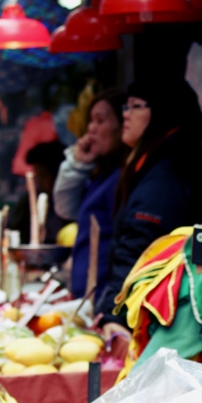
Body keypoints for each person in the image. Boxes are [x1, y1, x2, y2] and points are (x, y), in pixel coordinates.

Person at [96, 79, 202, 335]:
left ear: (161, 112)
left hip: (157, 317)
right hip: (162, 311)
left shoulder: (167, 173)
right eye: (124, 108)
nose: (125, 115)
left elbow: (138, 246)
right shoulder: (162, 161)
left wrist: (115, 313)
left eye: (134, 107)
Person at [53, 89, 127, 299]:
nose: (91, 129)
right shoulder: (98, 176)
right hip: (85, 295)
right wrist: (77, 165)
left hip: (105, 297)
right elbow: (65, 208)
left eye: (100, 120)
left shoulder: (121, 180)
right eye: (90, 121)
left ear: (123, 126)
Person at [8, 141, 65, 244]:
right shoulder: (28, 204)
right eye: (37, 175)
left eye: (43, 176)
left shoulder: (70, 206)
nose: (38, 182)